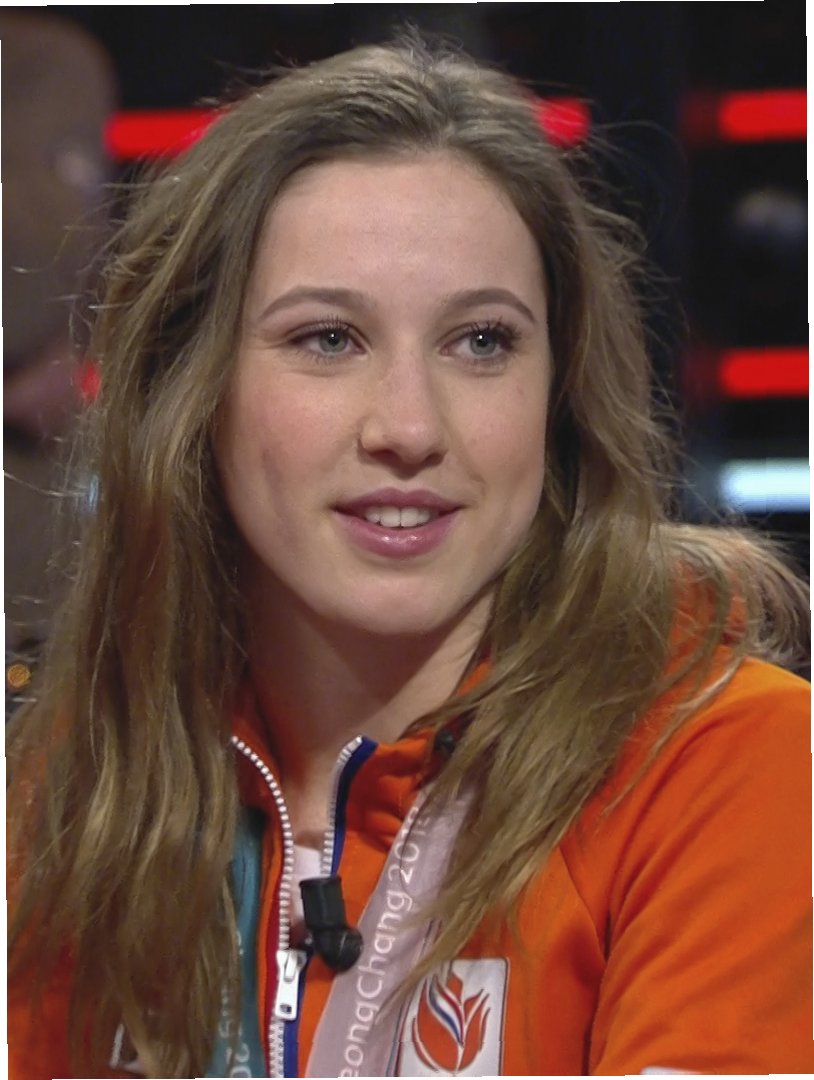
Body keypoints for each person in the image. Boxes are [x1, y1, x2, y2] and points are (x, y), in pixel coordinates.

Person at [7, 34, 811, 1079]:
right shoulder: (81, 778)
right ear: (191, 391)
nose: (409, 428)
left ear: (559, 394)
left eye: (481, 342)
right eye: (328, 340)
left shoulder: (724, 761)